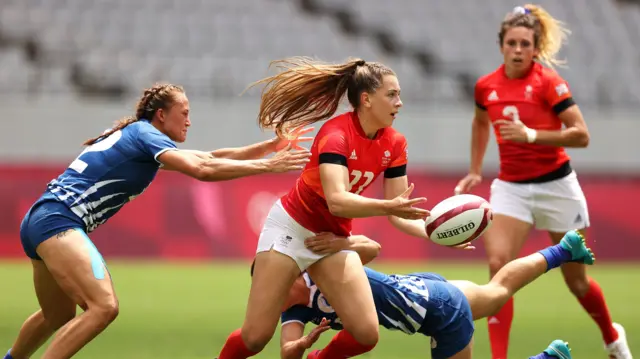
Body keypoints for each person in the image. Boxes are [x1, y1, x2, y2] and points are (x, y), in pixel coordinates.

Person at [3, 83, 312, 359]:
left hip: (40, 220)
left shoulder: (141, 139)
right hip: (58, 221)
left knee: (56, 315)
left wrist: (268, 147)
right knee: (104, 307)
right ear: (162, 115)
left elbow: (208, 158)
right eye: (184, 113)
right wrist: (268, 166)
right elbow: (202, 171)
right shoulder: (146, 134)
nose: (189, 121)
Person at [216, 57, 465, 359]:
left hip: (330, 239)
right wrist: (389, 205)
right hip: (291, 229)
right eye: (392, 94)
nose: (399, 102)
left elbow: (398, 213)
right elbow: (337, 199)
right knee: (255, 338)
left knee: (365, 333)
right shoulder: (336, 135)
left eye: (399, 94)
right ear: (366, 99)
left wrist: (434, 232)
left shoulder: (396, 143)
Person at [453, 5, 631, 359]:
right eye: (512, 43)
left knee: (576, 281)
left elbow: (581, 135)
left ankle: (612, 337)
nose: (518, 50)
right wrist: (475, 168)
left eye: (525, 44)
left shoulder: (549, 83)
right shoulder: (485, 86)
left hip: (557, 186)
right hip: (511, 187)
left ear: (535, 48)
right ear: (501, 45)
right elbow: (479, 123)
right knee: (498, 267)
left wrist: (530, 135)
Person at [277, 229, 592, 359]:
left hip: (438, 312)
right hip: (425, 288)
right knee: (496, 291)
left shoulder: (322, 267)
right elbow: (287, 351)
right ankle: (562, 250)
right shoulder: (293, 311)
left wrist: (340, 244)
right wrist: (302, 345)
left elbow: (371, 247)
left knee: (496, 292)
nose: (271, 298)